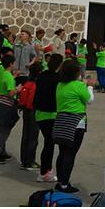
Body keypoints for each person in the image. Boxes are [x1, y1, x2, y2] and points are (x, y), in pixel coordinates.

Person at [52, 59, 95, 193]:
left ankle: (60, 181)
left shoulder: (60, 85)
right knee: (70, 154)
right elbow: (89, 100)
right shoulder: (78, 86)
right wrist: (90, 86)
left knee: (62, 153)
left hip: (61, 120)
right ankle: (65, 184)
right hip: (76, 122)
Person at [34, 53, 63, 182]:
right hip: (52, 113)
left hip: (40, 113)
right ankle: (45, 172)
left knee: (48, 143)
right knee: (49, 144)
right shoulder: (59, 78)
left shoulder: (41, 76)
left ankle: (45, 170)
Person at [0, 53, 19, 164]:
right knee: (4, 131)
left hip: (0, 102)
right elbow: (11, 93)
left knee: (2, 130)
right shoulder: (9, 77)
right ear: (11, 64)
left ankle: (0, 151)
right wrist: (18, 89)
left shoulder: (4, 74)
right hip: (7, 105)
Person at [17, 63, 41, 170]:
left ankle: (24, 160)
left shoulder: (27, 83)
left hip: (25, 111)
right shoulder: (36, 85)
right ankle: (30, 161)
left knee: (25, 136)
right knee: (32, 137)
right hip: (33, 111)